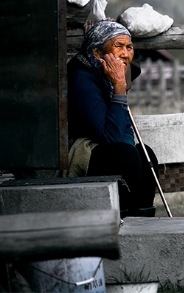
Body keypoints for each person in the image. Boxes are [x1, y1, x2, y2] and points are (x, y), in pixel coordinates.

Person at [67, 20, 158, 217]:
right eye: (118, 46)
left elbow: (124, 134)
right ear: (97, 54)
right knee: (125, 156)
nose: (125, 54)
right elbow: (113, 138)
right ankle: (119, 218)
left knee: (145, 154)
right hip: (82, 151)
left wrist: (118, 83)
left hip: (107, 144)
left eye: (129, 47)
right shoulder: (83, 79)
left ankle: (141, 222)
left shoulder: (104, 73)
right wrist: (119, 86)